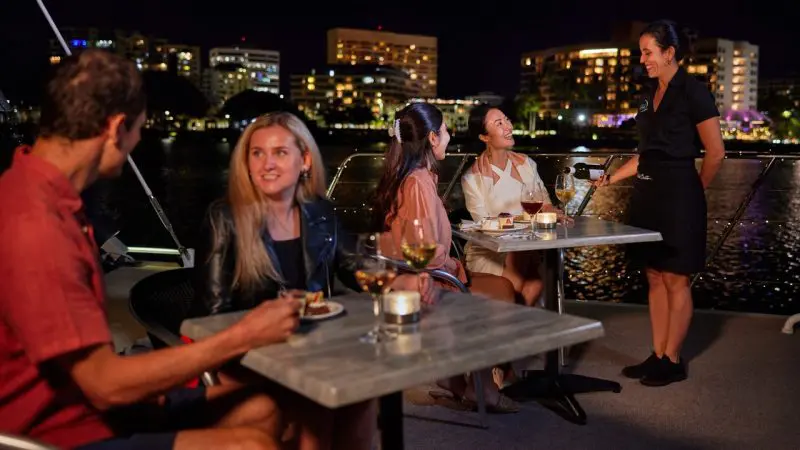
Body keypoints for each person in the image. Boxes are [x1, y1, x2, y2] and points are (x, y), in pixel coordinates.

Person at [0, 49, 300, 450]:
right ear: (116, 127)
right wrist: (242, 336)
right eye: (141, 127)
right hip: (53, 432)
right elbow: (105, 385)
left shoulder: (45, 194)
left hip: (84, 403)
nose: (140, 139)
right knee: (249, 444)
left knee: (264, 409)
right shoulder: (35, 224)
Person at [193, 111, 428, 449]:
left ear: (304, 160)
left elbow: (355, 264)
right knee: (316, 406)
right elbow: (210, 317)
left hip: (313, 349)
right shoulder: (224, 217)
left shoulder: (319, 211)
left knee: (360, 397)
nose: (267, 164)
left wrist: (402, 284)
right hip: (249, 355)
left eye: (280, 152)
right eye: (257, 153)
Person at [594, 20, 725, 386]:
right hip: (648, 197)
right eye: (641, 52)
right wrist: (612, 178)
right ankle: (657, 352)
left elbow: (715, 152)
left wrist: (694, 189)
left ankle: (673, 358)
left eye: (648, 52)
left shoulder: (693, 92)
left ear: (669, 53)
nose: (643, 59)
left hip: (680, 197)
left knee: (675, 278)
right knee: (653, 276)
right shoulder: (649, 95)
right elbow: (645, 154)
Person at [372, 102, 520, 413]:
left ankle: (457, 379)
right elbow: (423, 254)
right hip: (429, 283)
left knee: (501, 286)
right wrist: (452, 263)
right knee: (501, 294)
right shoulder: (417, 184)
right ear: (431, 139)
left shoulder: (414, 176)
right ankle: (481, 387)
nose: (450, 136)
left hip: (422, 275)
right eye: (445, 131)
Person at [460, 105, 556, 307]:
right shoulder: (473, 178)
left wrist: (554, 212)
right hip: (489, 251)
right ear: (485, 137)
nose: (508, 127)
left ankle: (511, 332)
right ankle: (511, 329)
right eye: (499, 123)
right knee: (526, 277)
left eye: (506, 120)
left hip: (526, 247)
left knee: (535, 285)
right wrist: (522, 221)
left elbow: (545, 204)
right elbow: (483, 224)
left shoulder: (527, 164)